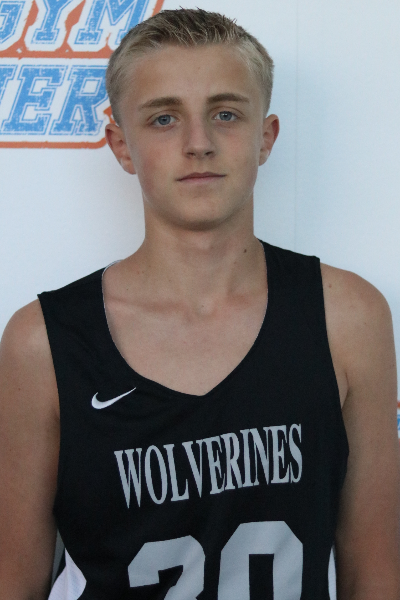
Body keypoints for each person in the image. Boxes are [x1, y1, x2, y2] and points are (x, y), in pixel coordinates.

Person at [0, 7, 399, 600]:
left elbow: (376, 577)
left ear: (266, 137)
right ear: (121, 145)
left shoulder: (348, 318)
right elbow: (14, 583)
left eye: (226, 114)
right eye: (164, 118)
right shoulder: (43, 342)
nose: (199, 144)